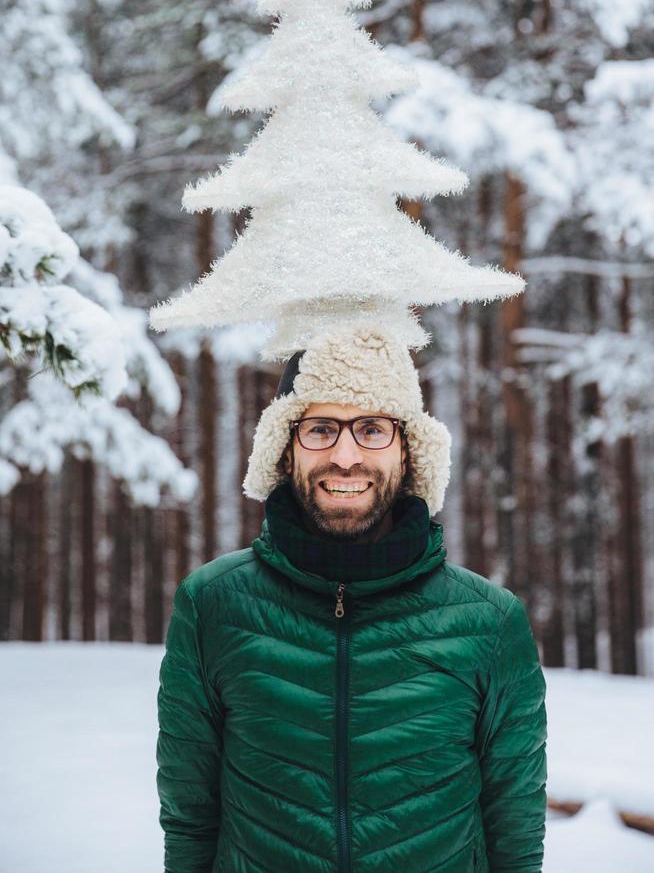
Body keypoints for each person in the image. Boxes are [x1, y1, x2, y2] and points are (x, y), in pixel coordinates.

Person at [156, 325, 547, 873]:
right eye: (319, 428)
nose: (345, 456)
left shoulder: (490, 621)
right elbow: (190, 815)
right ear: (285, 450)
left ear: (408, 451)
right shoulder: (213, 605)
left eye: (371, 428)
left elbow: (515, 827)